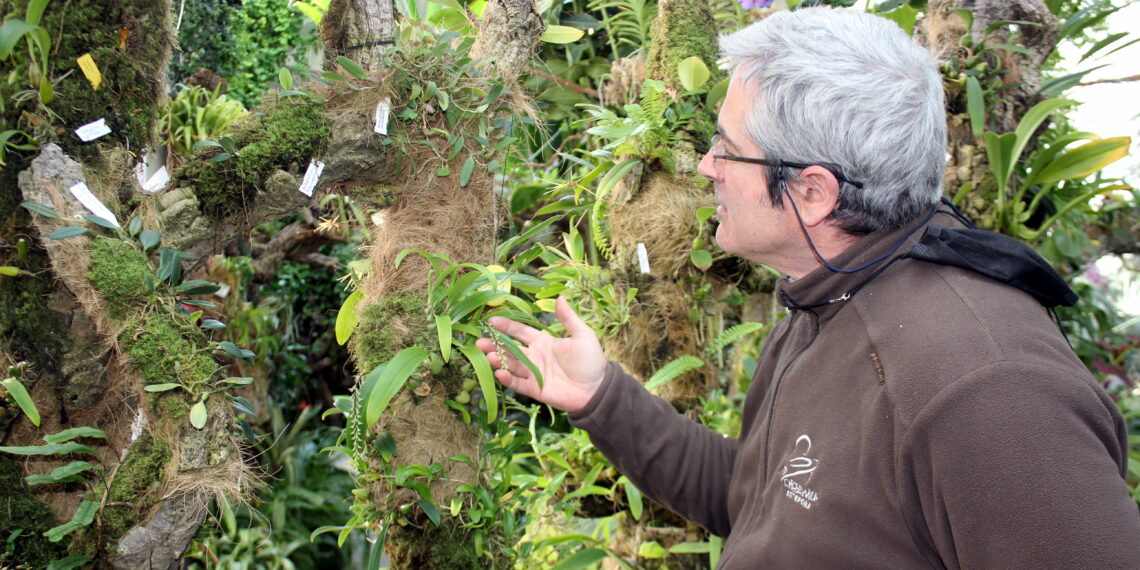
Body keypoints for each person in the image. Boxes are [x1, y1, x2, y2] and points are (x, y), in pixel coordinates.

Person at [476, 7, 1140, 567]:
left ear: (812, 191)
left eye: (726, 147)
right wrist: (600, 396)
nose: (706, 165)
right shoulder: (835, 293)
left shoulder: (987, 388)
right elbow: (758, 502)